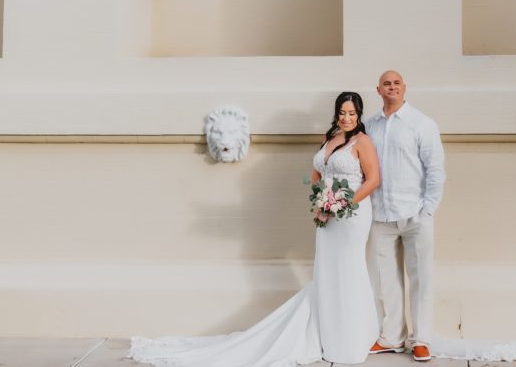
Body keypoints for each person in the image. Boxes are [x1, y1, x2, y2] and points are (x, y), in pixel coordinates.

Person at [129, 92, 381, 367]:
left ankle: (349, 341)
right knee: (328, 272)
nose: (346, 118)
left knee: (348, 270)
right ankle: (327, 335)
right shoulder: (329, 138)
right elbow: (317, 172)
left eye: (351, 114)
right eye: (342, 113)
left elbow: (372, 180)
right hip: (326, 215)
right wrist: (321, 200)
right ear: (336, 114)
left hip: (351, 217)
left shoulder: (362, 142)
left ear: (359, 115)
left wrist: (342, 205)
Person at [363, 70, 445, 363]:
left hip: (415, 215)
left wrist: (428, 210)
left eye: (397, 83)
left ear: (404, 88)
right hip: (381, 215)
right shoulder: (369, 126)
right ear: (378, 90)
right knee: (387, 280)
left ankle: (421, 339)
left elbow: (435, 170)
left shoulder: (421, 124)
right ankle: (392, 337)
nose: (392, 87)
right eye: (387, 83)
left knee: (421, 278)